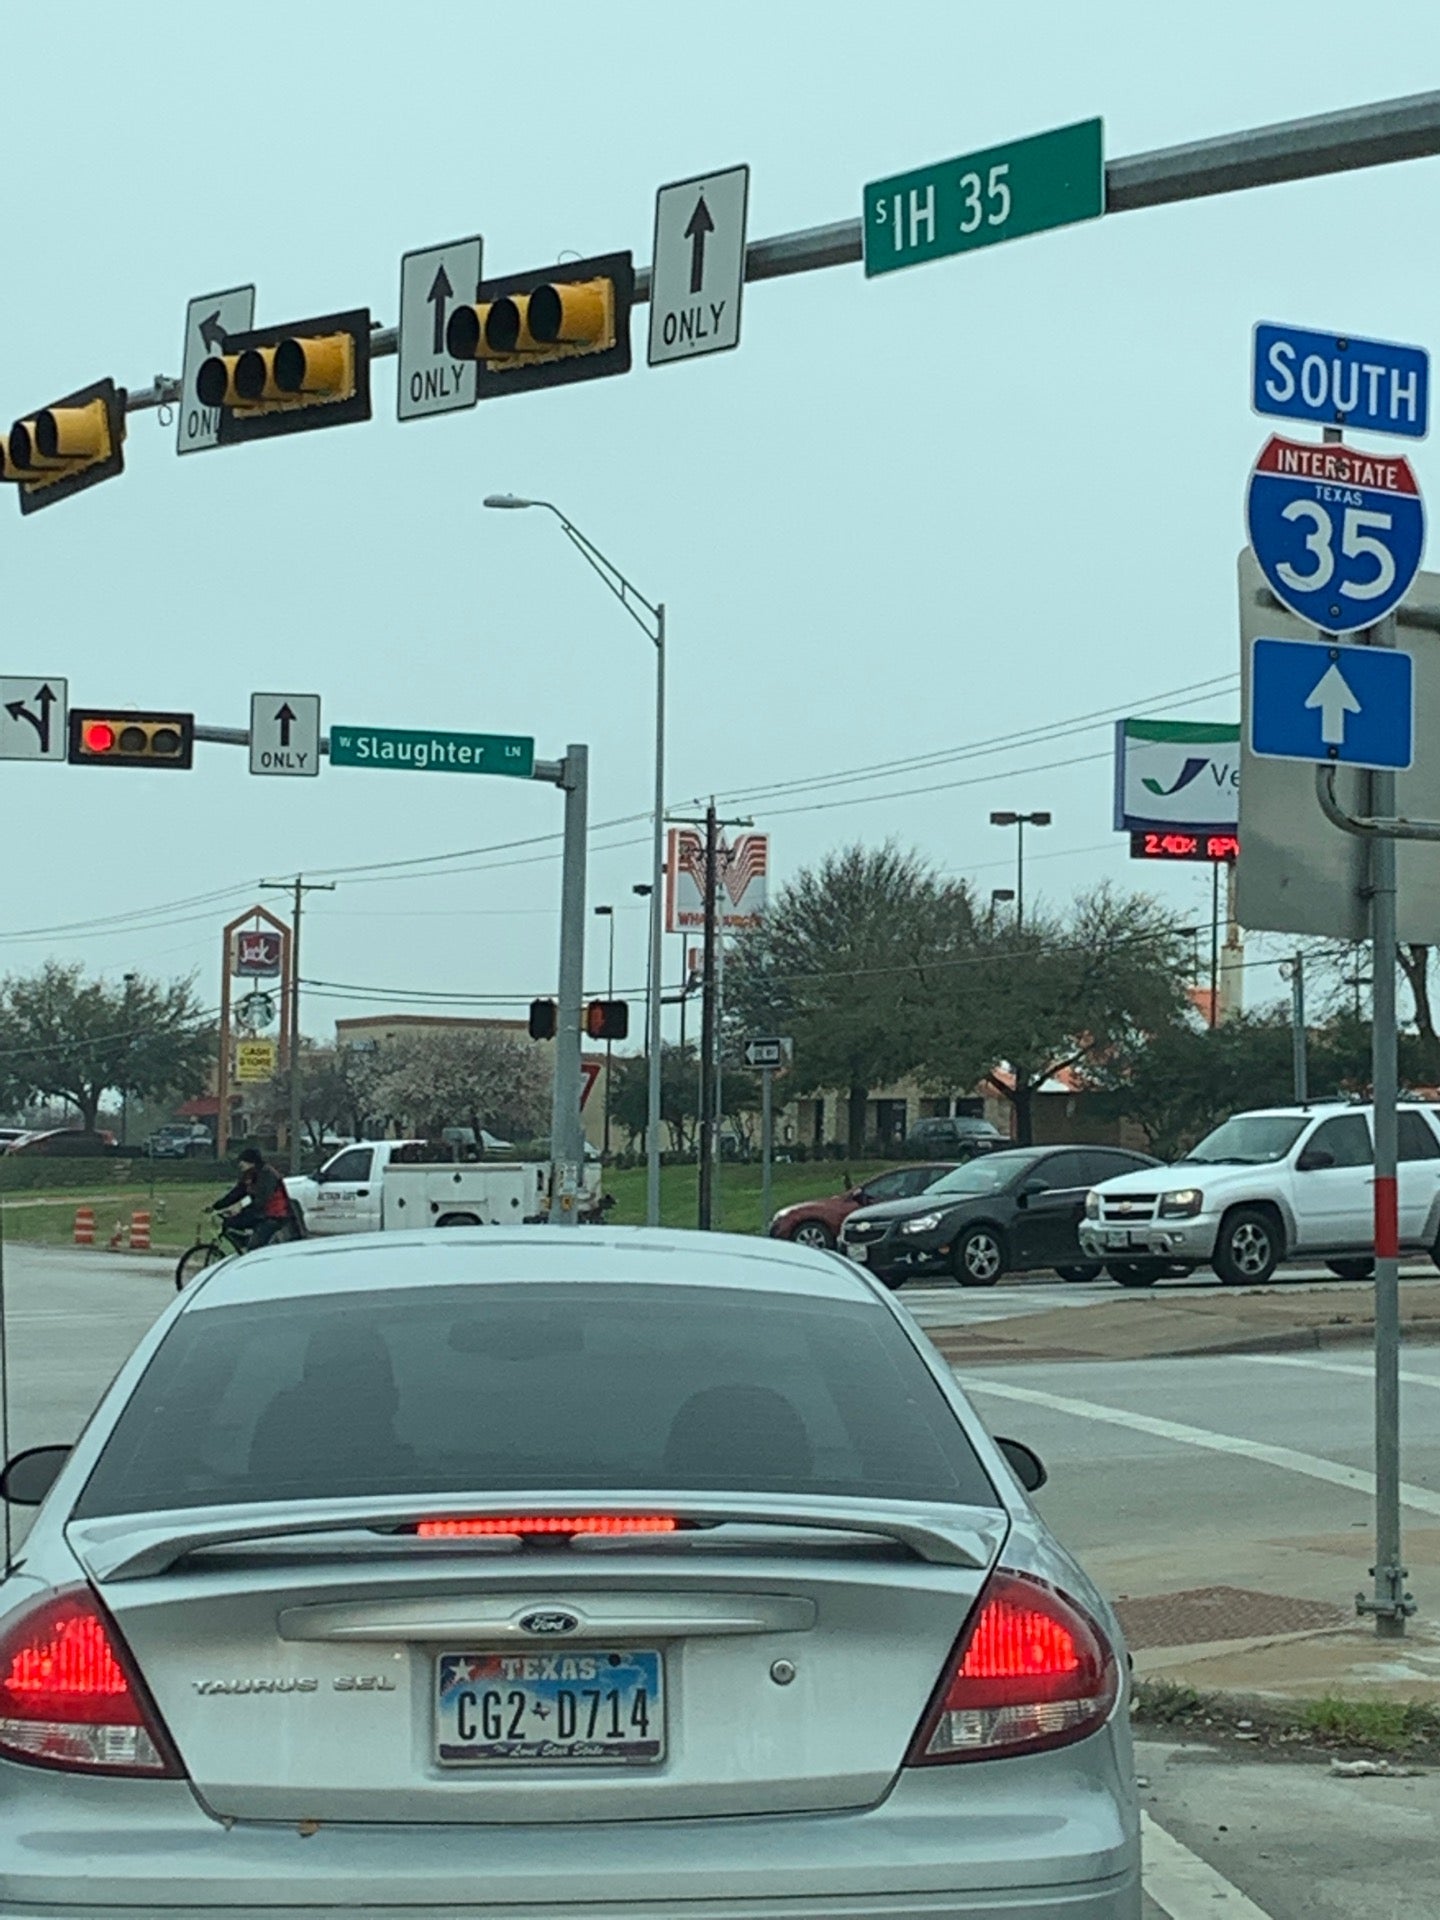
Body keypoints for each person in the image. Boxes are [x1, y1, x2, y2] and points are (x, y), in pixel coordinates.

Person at [213, 1146, 302, 1250]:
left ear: (252, 1162)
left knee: (254, 1247)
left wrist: (241, 1209)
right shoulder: (249, 1174)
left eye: (243, 1161)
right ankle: (245, 1241)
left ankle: (251, 1246)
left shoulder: (267, 1174)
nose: (240, 1164)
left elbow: (262, 1200)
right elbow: (237, 1192)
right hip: (261, 1213)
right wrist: (217, 1205)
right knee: (229, 1222)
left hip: (274, 1215)